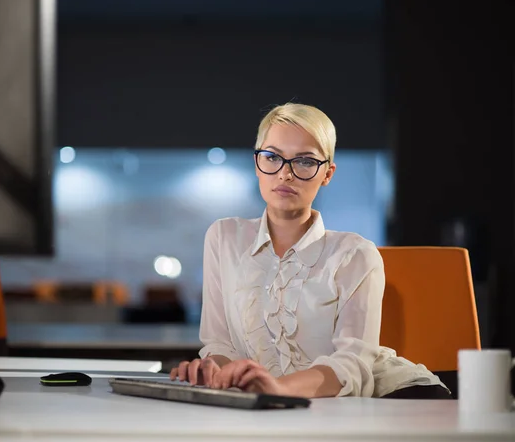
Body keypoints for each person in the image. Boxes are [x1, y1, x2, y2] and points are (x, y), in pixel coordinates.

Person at [170, 102, 451, 399]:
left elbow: (352, 365)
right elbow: (220, 343)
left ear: (327, 174)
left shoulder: (356, 254)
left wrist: (277, 388)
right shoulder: (224, 237)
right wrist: (214, 372)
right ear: (257, 164)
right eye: (272, 157)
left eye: (305, 161)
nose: (285, 174)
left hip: (389, 398)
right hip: (282, 403)